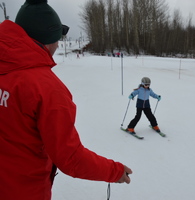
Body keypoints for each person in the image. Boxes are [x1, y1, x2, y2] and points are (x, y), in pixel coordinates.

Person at [0, 0, 132, 200]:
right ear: (46, 40)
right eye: (57, 39)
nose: (58, 45)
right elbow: (71, 158)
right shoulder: (46, 89)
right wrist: (114, 171)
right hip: (23, 192)